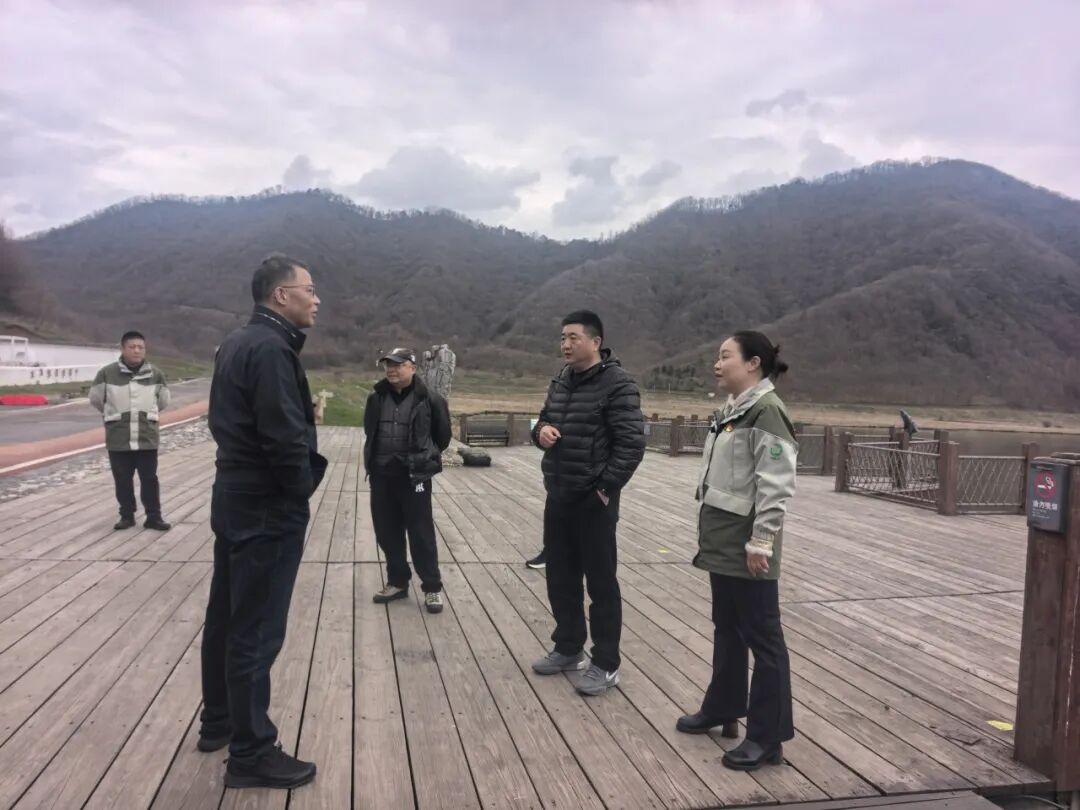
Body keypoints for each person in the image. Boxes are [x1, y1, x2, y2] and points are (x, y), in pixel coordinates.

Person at [199, 254, 327, 790]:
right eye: (309, 289)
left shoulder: (236, 342)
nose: (316, 299)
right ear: (281, 295)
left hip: (233, 494)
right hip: (267, 504)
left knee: (227, 614)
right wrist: (301, 487)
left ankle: (219, 721)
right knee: (256, 629)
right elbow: (282, 437)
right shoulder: (273, 350)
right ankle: (251, 753)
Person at [675, 331, 797, 772]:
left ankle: (767, 737)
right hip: (723, 538)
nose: (717, 363)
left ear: (753, 363)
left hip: (748, 545)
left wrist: (762, 540)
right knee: (727, 627)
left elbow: (776, 483)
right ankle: (723, 707)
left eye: (725, 356)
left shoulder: (767, 411)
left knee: (764, 638)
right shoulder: (734, 410)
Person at [529, 310, 645, 696]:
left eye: (573, 338)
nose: (565, 344)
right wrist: (541, 432)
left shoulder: (618, 384)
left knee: (600, 583)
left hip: (594, 500)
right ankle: (568, 647)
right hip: (558, 493)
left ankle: (606, 663)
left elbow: (631, 444)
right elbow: (542, 420)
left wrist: (604, 490)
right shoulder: (561, 380)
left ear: (595, 342)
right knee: (560, 578)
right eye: (562, 337)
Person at [363, 347, 452, 613]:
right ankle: (398, 581)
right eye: (387, 365)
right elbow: (370, 430)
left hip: (414, 477)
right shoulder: (375, 398)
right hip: (381, 475)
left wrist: (423, 458)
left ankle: (432, 587)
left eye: (398, 364)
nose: (391, 369)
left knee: (421, 533)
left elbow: (442, 437)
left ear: (412, 367)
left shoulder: (431, 399)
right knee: (387, 532)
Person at [89, 330, 171, 531]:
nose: (136, 350)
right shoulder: (106, 374)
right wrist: (114, 413)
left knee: (149, 479)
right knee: (122, 479)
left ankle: (154, 517)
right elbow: (96, 399)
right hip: (119, 438)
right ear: (123, 349)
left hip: (146, 437)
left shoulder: (156, 374)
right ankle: (126, 516)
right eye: (132, 347)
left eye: (140, 347)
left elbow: (163, 401)